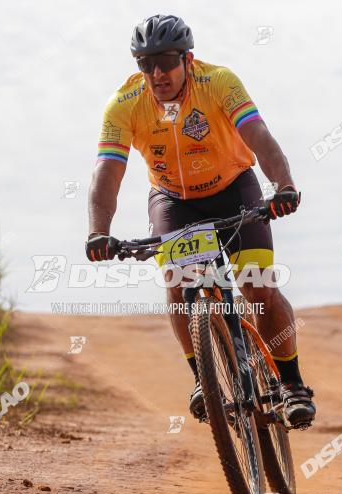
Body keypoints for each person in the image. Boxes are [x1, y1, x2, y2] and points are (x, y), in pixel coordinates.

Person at [85, 14, 315, 429]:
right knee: (179, 282)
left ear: (187, 59)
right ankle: (201, 377)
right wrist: (98, 232)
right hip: (174, 200)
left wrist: (283, 185)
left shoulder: (220, 82)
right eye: (146, 63)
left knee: (258, 284)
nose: (157, 73)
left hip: (234, 187)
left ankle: (293, 383)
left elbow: (258, 135)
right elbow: (107, 172)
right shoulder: (123, 105)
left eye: (167, 61)